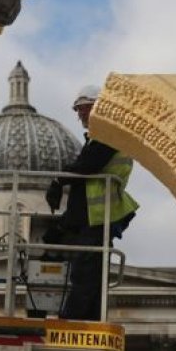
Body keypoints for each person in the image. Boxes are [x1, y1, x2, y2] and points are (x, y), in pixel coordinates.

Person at [43, 85, 139, 321]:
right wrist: (62, 226)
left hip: (98, 216)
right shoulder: (99, 138)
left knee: (85, 275)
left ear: (99, 108)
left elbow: (87, 166)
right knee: (89, 274)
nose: (80, 115)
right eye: (78, 110)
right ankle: (88, 318)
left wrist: (59, 179)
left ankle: (72, 322)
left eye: (84, 109)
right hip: (92, 216)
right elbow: (81, 189)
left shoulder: (109, 134)